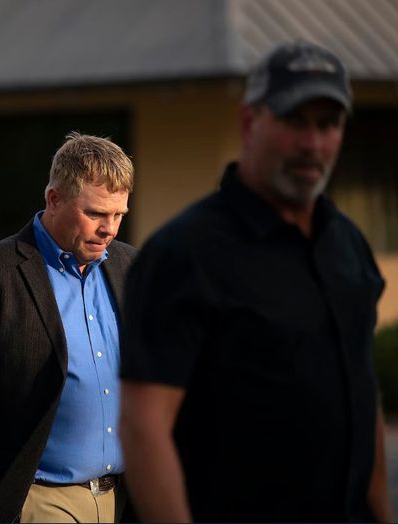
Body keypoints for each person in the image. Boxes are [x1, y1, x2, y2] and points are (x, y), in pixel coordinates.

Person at [120, 41, 391, 522]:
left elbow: (362, 395)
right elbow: (144, 428)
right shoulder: (184, 255)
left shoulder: (347, 246)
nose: (312, 143)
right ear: (250, 123)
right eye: (294, 121)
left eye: (327, 124)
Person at [0, 133, 137, 523]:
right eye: (96, 213)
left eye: (119, 215)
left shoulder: (131, 267)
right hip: (38, 499)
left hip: (126, 498)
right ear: (54, 199)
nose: (109, 228)